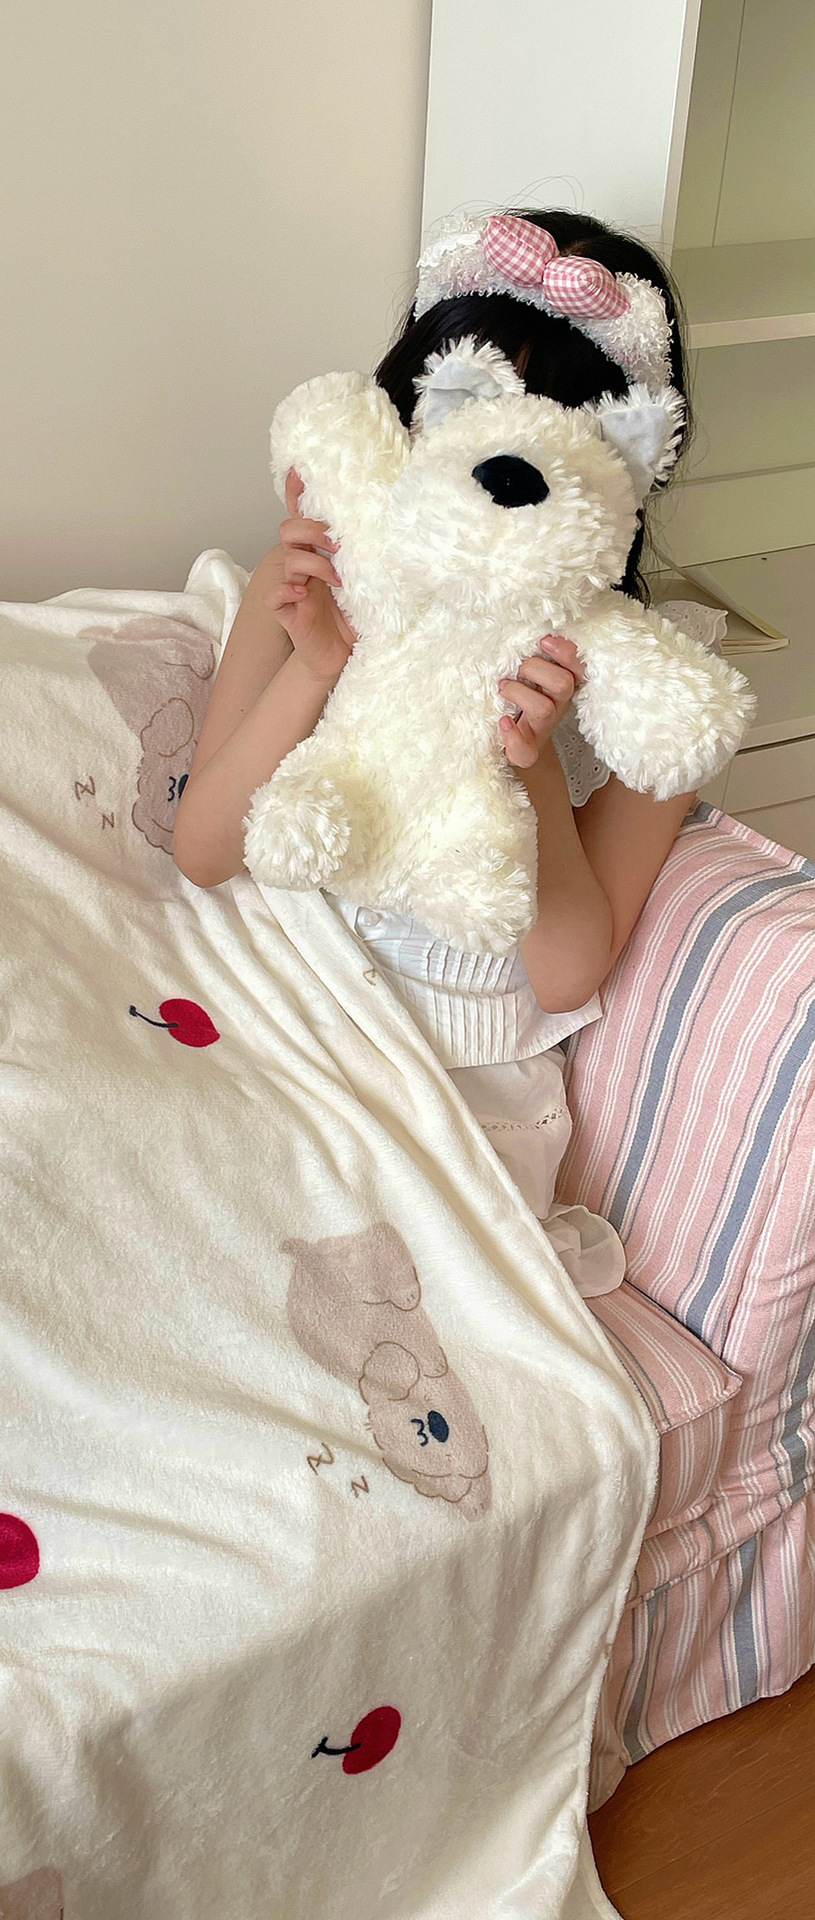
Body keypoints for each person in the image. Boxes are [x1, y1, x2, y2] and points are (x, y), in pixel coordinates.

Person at [172, 208, 713, 1297]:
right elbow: (202, 848)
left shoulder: (643, 686)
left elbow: (566, 971)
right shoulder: (305, 588)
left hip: (463, 1085)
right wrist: (314, 666)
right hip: (285, 1014)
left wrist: (530, 771)